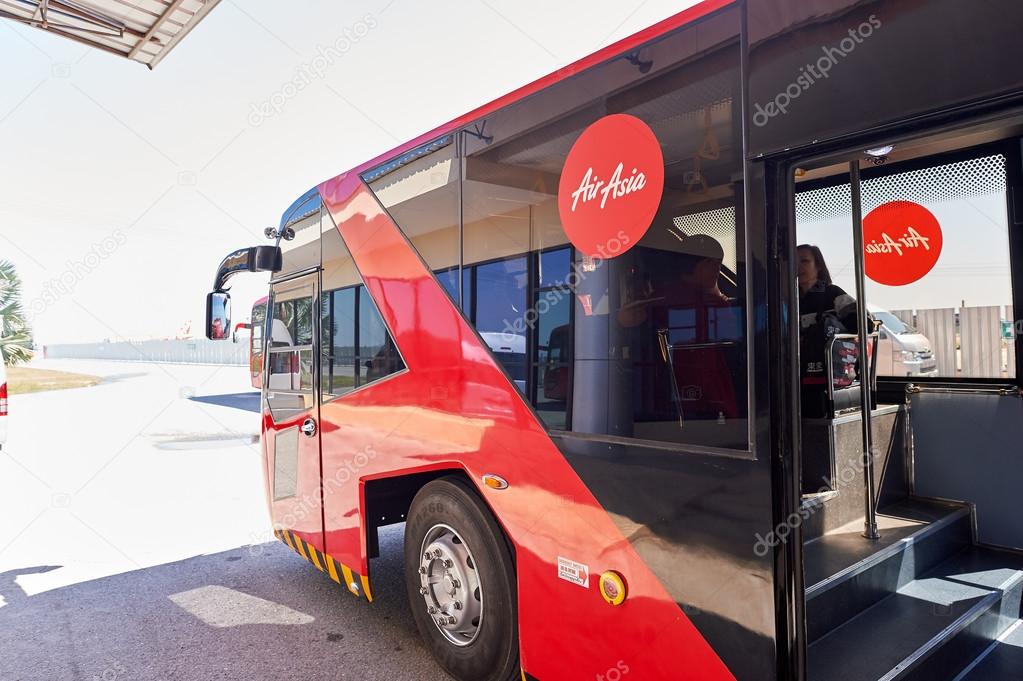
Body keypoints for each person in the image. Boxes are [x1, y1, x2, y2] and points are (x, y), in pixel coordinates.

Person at [797, 244, 858, 418]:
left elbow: (863, 324)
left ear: (819, 266)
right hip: (793, 370)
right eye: (793, 262)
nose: (798, 267)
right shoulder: (784, 298)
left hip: (827, 372)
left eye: (805, 261)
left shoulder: (833, 293)